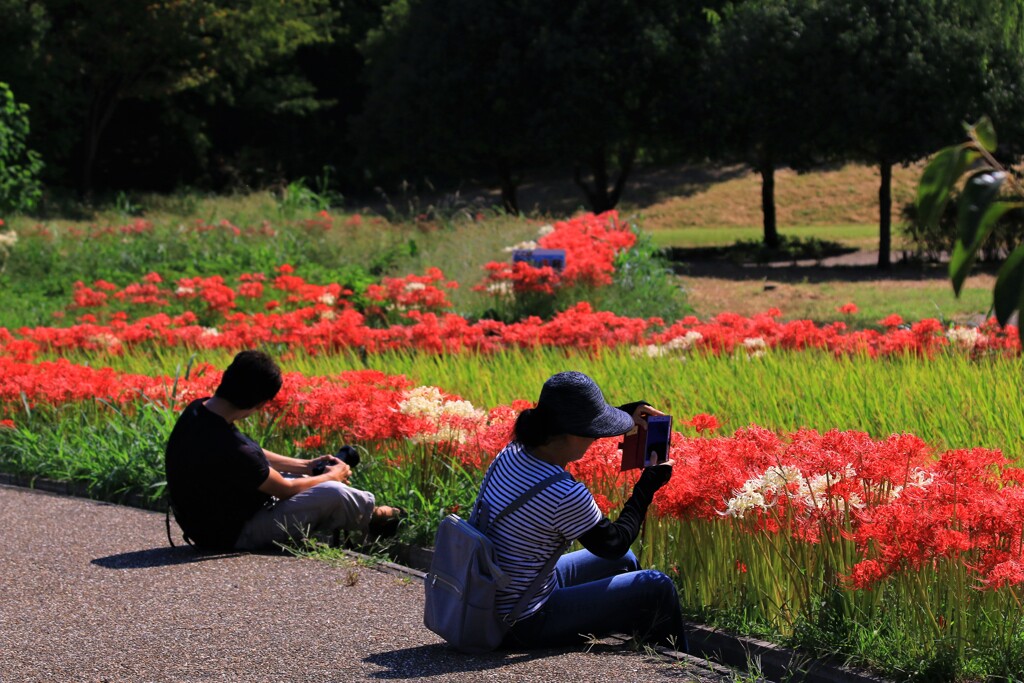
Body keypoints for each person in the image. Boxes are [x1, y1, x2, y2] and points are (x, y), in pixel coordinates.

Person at [477, 370, 685, 649]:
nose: (596, 437)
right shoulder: (563, 493)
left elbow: (616, 553)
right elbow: (614, 542)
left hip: (497, 593)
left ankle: (643, 651)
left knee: (625, 562)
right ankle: (675, 663)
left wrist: (624, 415)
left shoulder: (514, 452)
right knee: (657, 587)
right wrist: (647, 485)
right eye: (593, 431)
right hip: (523, 619)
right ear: (572, 432)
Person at [164, 349, 401, 551]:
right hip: (233, 534)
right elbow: (285, 489)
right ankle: (374, 518)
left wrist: (306, 466)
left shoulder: (198, 411)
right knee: (332, 491)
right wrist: (331, 476)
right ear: (258, 403)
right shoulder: (233, 450)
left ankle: (365, 516)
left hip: (209, 523)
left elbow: (253, 455)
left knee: (309, 479)